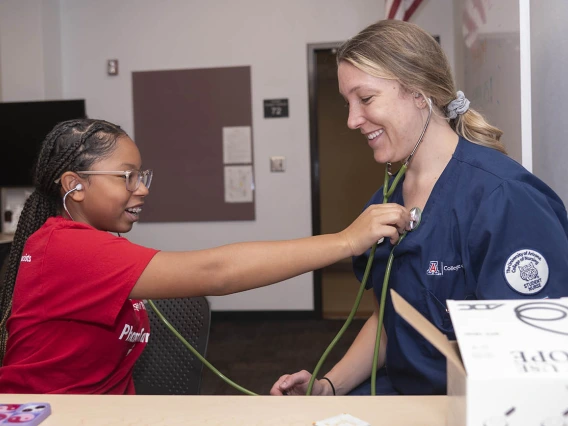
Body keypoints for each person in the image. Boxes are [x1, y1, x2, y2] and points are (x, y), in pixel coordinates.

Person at [0, 118, 412, 394]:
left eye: (142, 176)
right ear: (75, 185)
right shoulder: (69, 248)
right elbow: (217, 272)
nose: (142, 188)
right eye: (127, 177)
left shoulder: (85, 245)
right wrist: (345, 241)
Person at [270, 19, 568, 397]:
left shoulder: (503, 197)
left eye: (365, 99)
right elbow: (390, 319)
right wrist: (329, 385)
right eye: (347, 103)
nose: (351, 120)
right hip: (400, 393)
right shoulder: (385, 202)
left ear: (418, 92)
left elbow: (535, 357)